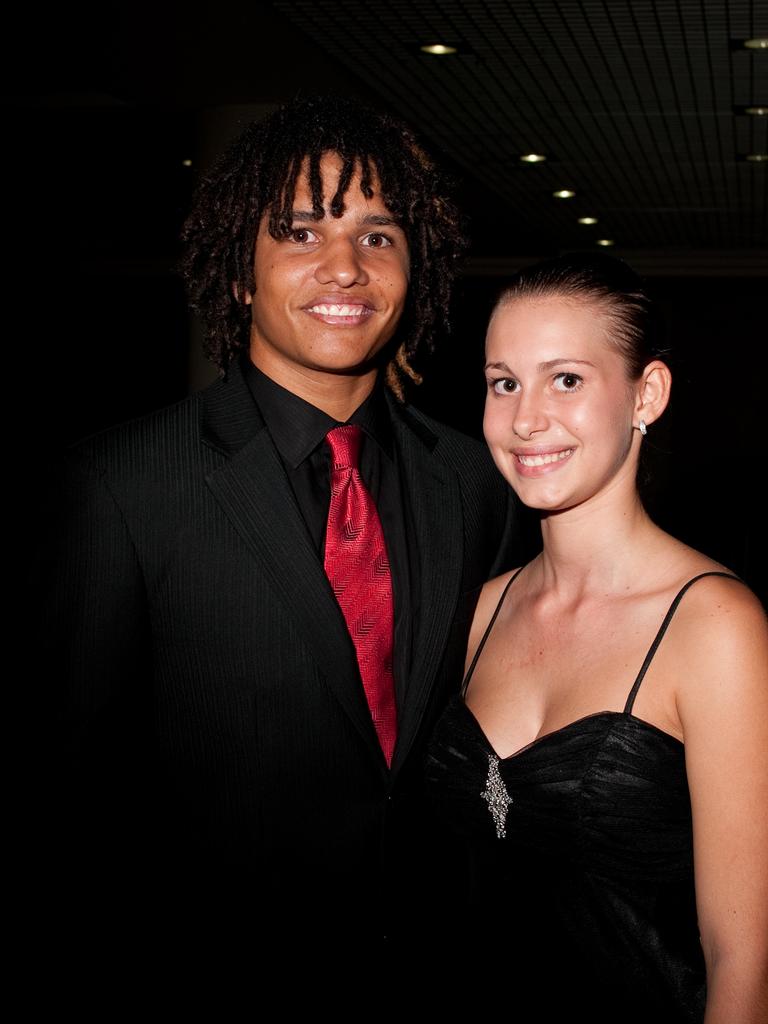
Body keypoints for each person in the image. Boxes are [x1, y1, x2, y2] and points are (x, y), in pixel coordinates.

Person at [35, 94, 522, 961]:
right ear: (237, 271)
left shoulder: (476, 482)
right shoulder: (120, 486)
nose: (345, 268)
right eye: (300, 233)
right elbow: (73, 796)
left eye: (377, 236)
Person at [425, 253, 768, 1021]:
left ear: (647, 393)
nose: (525, 418)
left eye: (567, 380)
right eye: (504, 381)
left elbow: (743, 959)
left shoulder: (714, 627)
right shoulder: (478, 611)